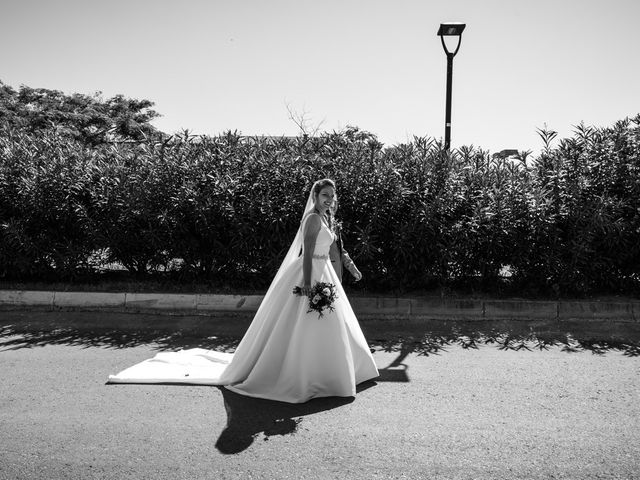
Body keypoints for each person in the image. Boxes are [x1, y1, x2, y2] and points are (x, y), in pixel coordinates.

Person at [108, 179, 379, 403]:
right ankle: (306, 373)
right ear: (315, 196)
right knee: (305, 322)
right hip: (310, 273)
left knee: (329, 321)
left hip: (326, 273)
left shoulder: (326, 218)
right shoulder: (312, 220)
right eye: (325, 195)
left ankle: (332, 371)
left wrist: (347, 268)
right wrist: (308, 283)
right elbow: (307, 253)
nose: (329, 199)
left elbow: (332, 249)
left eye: (332, 195)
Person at [328, 199, 362, 283]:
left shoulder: (334, 225)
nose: (334, 208)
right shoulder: (319, 223)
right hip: (326, 271)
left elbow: (341, 250)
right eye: (332, 206)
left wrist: (352, 268)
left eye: (335, 205)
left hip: (337, 272)